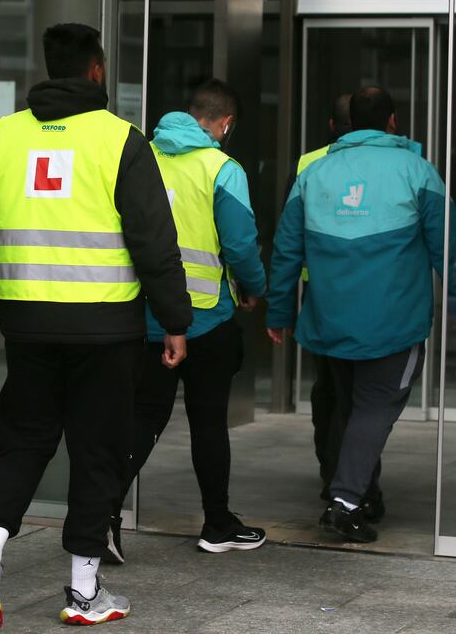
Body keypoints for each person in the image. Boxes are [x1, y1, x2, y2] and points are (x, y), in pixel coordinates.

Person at [0, 23, 192, 629]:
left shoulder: (4, 136)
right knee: (97, 450)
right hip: (106, 326)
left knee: (23, 438)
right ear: (96, 71)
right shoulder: (120, 138)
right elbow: (153, 239)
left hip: (27, 321)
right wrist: (174, 319)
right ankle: (85, 593)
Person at [265, 85, 456, 543]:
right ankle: (345, 501)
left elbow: (285, 250)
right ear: (392, 121)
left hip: (329, 321)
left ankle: (357, 492)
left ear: (349, 123)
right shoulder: (417, 171)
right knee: (374, 410)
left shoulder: (314, 173)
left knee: (350, 410)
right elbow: (448, 244)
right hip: (393, 324)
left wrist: (279, 311)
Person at [105, 79, 268, 563]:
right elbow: (239, 244)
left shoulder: (140, 156)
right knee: (208, 422)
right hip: (205, 320)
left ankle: (103, 515)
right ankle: (217, 523)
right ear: (225, 123)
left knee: (143, 417)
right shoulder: (222, 168)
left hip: (145, 314)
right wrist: (255, 288)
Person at [292, 93, 383, 518]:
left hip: (321, 296)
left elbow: (293, 236)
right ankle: (359, 488)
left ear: (332, 123)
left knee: (329, 394)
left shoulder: (310, 163)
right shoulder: (388, 164)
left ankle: (335, 480)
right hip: (371, 296)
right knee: (362, 400)